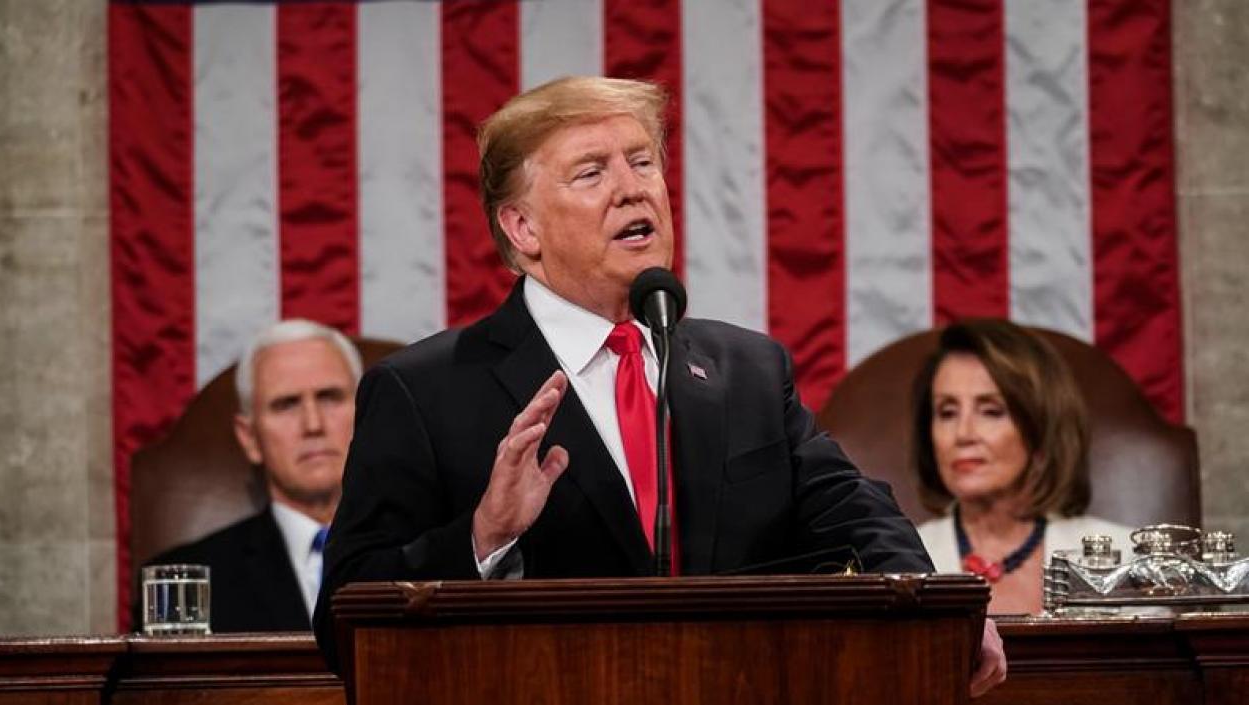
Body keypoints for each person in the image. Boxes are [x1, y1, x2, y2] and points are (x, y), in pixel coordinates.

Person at [314, 76, 1004, 695]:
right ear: (522, 227)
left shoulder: (748, 371)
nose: (633, 187)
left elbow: (858, 517)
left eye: (642, 162)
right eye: (590, 173)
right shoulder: (425, 391)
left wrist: (949, 615)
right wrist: (481, 536)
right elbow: (344, 617)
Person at [145, 319, 360, 632]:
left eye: (330, 397)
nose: (313, 424)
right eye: (286, 405)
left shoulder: (428, 558)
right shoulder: (189, 585)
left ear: (366, 414)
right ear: (250, 438)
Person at [911, 318, 1135, 614]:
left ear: (1041, 427)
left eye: (991, 411)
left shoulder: (1129, 562)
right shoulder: (897, 567)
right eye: (947, 412)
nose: (963, 434)